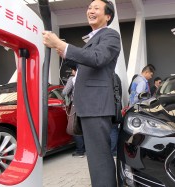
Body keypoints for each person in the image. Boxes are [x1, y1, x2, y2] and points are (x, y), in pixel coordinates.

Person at [42, 0, 120, 186]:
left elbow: (97, 58)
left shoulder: (110, 35)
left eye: (96, 8)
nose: (91, 11)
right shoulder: (93, 39)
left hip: (96, 106)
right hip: (90, 106)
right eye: (89, 8)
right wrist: (64, 53)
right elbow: (84, 64)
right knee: (95, 158)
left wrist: (62, 45)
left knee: (99, 159)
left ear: (108, 16)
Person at [62, 67, 85, 158]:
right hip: (87, 105)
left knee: (74, 126)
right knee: (85, 127)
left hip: (76, 105)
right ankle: (87, 149)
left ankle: (80, 151)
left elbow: (64, 92)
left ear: (75, 70)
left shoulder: (72, 79)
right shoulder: (85, 78)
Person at [110, 73, 122, 157]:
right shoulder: (116, 76)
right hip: (115, 106)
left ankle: (113, 151)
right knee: (114, 129)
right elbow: (119, 92)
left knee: (112, 130)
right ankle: (114, 150)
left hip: (107, 107)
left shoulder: (106, 75)